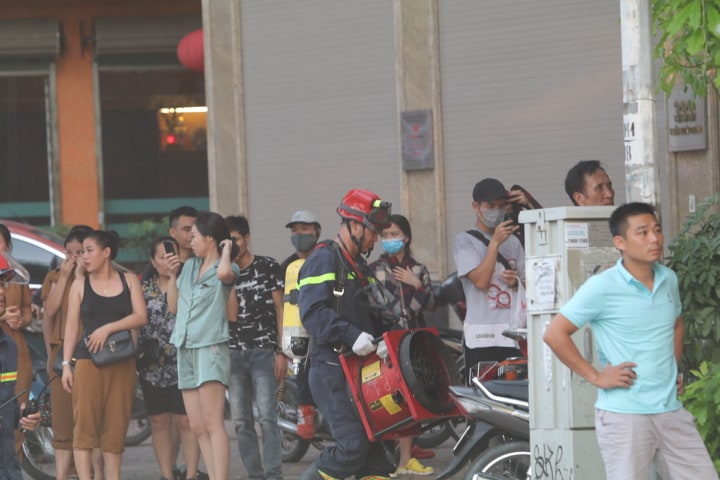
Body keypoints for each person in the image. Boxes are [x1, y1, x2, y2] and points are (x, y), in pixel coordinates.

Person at [543, 202, 717, 479]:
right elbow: (554, 333)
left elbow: (676, 323)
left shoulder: (668, 279)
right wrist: (597, 377)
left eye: (657, 230)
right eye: (643, 232)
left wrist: (671, 368)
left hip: (670, 411)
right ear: (620, 242)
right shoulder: (602, 286)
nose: (654, 239)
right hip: (625, 416)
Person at [297, 188, 395, 480]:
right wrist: (351, 335)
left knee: (379, 452)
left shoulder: (358, 265)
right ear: (354, 225)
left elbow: (372, 311)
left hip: (360, 369)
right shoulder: (323, 259)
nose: (376, 238)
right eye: (373, 231)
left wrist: (384, 339)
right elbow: (312, 313)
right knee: (352, 446)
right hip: (330, 367)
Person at [61, 230, 148, 480]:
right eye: (82, 252)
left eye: (89, 251)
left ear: (107, 252)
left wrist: (107, 328)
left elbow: (141, 317)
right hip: (88, 361)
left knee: (116, 426)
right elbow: (71, 327)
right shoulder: (79, 284)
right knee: (84, 427)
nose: (84, 257)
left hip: (122, 361)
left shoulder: (128, 280)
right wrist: (66, 365)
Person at [167, 212, 239, 480]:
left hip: (210, 348)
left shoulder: (226, 267)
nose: (190, 240)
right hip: (184, 347)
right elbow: (173, 307)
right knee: (197, 425)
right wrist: (173, 275)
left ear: (210, 238)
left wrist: (226, 249)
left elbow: (225, 274)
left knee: (212, 422)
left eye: (195, 235)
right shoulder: (188, 267)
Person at [369, 214, 435, 477]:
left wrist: (416, 285)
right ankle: (386, 461)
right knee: (388, 401)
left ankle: (406, 460)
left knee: (411, 400)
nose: (389, 239)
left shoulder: (418, 269)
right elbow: (378, 308)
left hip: (413, 344)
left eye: (394, 234)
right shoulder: (374, 270)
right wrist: (408, 306)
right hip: (385, 345)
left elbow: (431, 304)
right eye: (385, 235)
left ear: (406, 237)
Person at [41, 225, 106, 480]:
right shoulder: (56, 276)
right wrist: (65, 277)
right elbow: (50, 311)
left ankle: (97, 474)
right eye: (69, 252)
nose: (74, 257)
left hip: (92, 353)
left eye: (80, 252)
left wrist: (80, 276)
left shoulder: (99, 277)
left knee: (93, 423)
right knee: (63, 423)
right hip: (62, 357)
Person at [225, 215, 285, 480]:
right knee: (241, 421)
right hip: (233, 353)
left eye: (236, 239)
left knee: (268, 417)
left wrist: (281, 351)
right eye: (227, 242)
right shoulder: (222, 272)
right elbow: (226, 315)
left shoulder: (268, 266)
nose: (232, 245)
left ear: (247, 238)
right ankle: (255, 474)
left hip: (263, 351)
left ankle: (274, 474)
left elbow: (280, 308)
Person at [139, 237, 201, 480]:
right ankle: (167, 474)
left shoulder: (190, 283)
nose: (167, 261)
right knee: (159, 420)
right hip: (152, 363)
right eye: (162, 257)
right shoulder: (143, 289)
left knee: (186, 420)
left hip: (183, 361)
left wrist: (176, 276)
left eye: (171, 256)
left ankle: (191, 473)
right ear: (153, 261)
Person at [453, 178, 525, 378]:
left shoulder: (514, 242)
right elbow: (481, 281)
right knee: (484, 392)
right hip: (481, 338)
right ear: (476, 207)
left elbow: (527, 284)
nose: (497, 211)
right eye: (491, 206)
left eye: (501, 206)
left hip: (512, 335)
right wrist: (494, 243)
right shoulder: (464, 241)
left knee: (514, 391)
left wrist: (516, 282)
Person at [279, 210, 321, 440]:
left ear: (316, 231)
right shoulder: (286, 267)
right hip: (297, 334)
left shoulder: (324, 260)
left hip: (324, 327)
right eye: (295, 230)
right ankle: (305, 412)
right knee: (303, 365)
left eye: (304, 229)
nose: (299, 234)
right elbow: (278, 305)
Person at [0, 251, 41, 480]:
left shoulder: (8, 344)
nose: (2, 291)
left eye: (2, 283)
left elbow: (5, 400)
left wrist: (22, 416)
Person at [0, 223, 33, 457]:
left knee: (17, 413)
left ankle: (15, 464)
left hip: (16, 350)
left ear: (8, 245)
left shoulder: (17, 276)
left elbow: (28, 311)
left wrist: (20, 320)